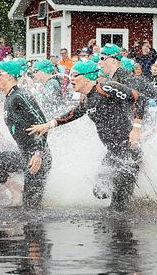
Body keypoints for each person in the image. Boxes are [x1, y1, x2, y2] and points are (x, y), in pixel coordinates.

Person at [27, 60, 146, 211]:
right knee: (100, 191)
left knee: (118, 209)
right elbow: (73, 114)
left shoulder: (106, 88)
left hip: (128, 150)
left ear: (88, 76)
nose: (70, 79)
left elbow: (139, 98)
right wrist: (49, 125)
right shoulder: (87, 99)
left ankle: (124, 211)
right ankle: (132, 198)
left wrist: (136, 128)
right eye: (70, 75)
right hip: (112, 152)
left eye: (75, 75)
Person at [0, 59, 52, 209]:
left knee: (30, 209)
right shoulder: (9, 97)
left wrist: (38, 153)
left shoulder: (20, 96)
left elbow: (42, 123)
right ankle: (14, 188)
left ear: (9, 76)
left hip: (37, 158)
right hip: (23, 155)